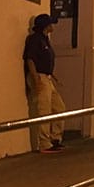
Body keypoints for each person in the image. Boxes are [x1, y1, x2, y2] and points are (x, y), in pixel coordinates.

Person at [23, 13, 66, 154]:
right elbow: (30, 59)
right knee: (44, 110)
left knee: (59, 107)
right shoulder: (35, 39)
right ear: (45, 26)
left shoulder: (45, 40)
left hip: (47, 77)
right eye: (50, 24)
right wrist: (36, 79)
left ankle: (55, 138)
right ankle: (44, 143)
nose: (52, 26)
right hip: (40, 77)